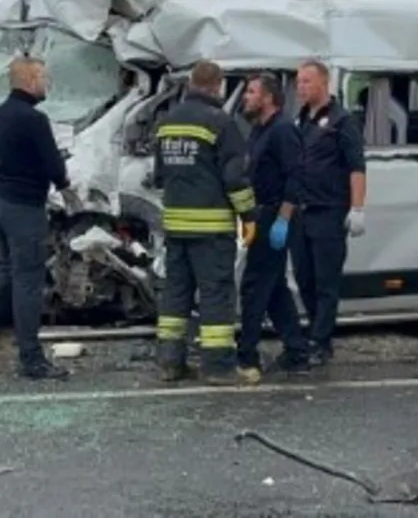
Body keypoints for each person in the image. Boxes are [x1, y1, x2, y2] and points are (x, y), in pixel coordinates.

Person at [0, 56, 80, 380]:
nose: (46, 84)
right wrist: (67, 190)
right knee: (28, 281)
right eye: (44, 78)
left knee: (9, 270)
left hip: (0, 203)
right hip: (25, 209)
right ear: (31, 79)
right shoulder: (33, 120)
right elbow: (54, 167)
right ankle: (31, 359)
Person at [150, 60, 257, 385]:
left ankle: (170, 362)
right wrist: (248, 216)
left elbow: (158, 176)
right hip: (211, 229)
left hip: (175, 225)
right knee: (215, 295)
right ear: (218, 86)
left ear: (191, 84)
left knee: (176, 294)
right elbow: (234, 177)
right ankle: (218, 367)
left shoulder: (167, 122)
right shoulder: (221, 123)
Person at [291, 59, 367, 366]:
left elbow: (356, 168)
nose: (301, 88)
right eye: (298, 82)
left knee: (326, 281)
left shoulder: (342, 121)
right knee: (304, 278)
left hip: (328, 212)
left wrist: (358, 207)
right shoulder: (301, 120)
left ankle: (320, 342)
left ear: (324, 84)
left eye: (306, 82)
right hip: (301, 212)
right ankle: (315, 333)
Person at [237, 74, 310, 379]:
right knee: (275, 288)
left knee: (254, 286)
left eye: (251, 92)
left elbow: (296, 176)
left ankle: (247, 354)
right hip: (260, 215)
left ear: (268, 97)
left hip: (275, 217)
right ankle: (297, 351)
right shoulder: (258, 131)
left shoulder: (282, 131)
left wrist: (283, 218)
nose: (245, 97)